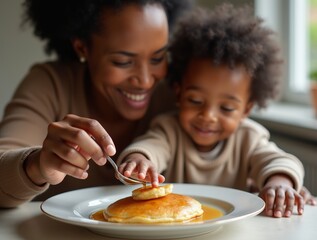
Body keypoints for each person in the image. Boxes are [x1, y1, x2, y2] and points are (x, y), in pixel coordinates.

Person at [117, 4, 315, 218]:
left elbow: (277, 161)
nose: (208, 116)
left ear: (246, 109)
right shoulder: (169, 130)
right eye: (195, 100)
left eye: (227, 108)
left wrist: (279, 183)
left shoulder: (248, 137)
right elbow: (150, 147)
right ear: (178, 93)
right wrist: (140, 161)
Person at [0, 0, 194, 208]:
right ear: (82, 48)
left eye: (158, 58)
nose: (145, 81)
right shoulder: (50, 84)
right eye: (123, 62)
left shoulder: (183, 94)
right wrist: (36, 166)